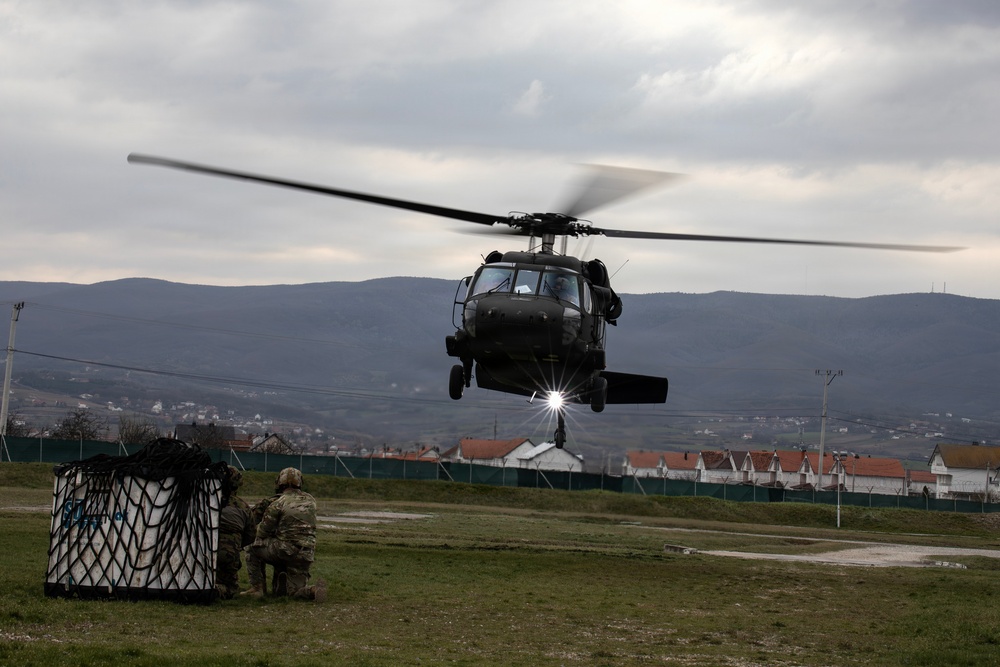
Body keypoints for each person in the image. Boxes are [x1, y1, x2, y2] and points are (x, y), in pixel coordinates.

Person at [243, 467, 325, 601]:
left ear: (279, 483)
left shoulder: (278, 503)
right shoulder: (311, 500)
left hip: (286, 551)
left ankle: (257, 588)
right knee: (294, 592)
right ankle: (312, 591)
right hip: (306, 554)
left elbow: (262, 532)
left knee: (251, 547)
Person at [216, 466, 255, 600]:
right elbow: (250, 535)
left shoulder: (206, 501)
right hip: (229, 554)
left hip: (203, 552)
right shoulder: (243, 506)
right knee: (231, 588)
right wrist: (237, 545)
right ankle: (216, 590)